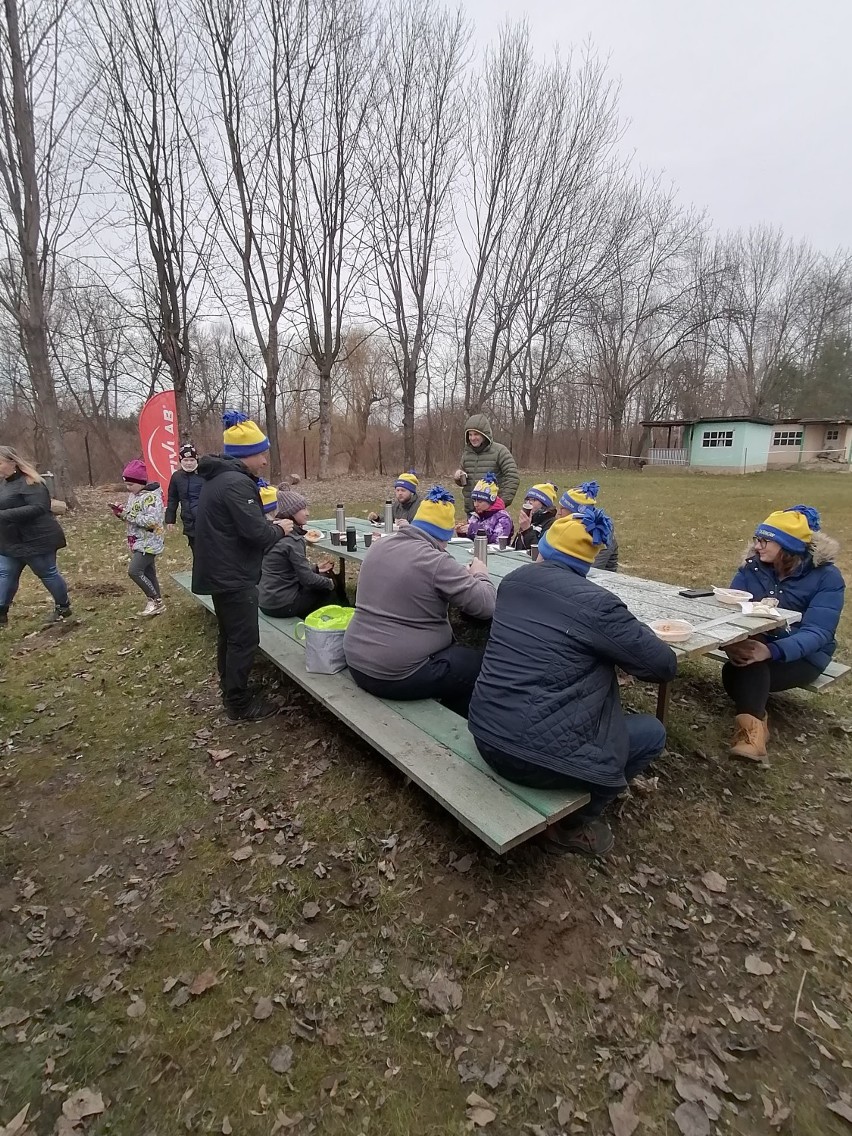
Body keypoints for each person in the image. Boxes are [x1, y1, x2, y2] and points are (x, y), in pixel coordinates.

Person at [468, 508, 677, 857]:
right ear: (587, 564)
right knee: (652, 732)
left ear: (543, 550)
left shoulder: (512, 582)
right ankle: (574, 823)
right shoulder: (599, 606)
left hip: (486, 735)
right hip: (537, 759)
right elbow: (663, 666)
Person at [344, 486, 496, 717]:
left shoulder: (379, 546)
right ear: (445, 537)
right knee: (477, 664)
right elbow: (486, 605)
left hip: (357, 660)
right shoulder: (436, 560)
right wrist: (480, 573)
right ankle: (458, 724)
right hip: (394, 674)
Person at [722, 505, 845, 762]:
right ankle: (757, 725)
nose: (757, 546)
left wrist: (772, 650)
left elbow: (819, 632)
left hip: (806, 656)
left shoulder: (827, 577)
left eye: (765, 541)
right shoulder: (752, 568)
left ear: (788, 546)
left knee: (744, 669)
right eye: (757, 539)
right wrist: (730, 643)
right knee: (739, 664)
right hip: (759, 641)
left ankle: (751, 735)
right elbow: (731, 610)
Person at [192, 411, 293, 722]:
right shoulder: (236, 483)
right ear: (245, 454)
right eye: (260, 453)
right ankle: (238, 704)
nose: (264, 461)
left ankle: (232, 689)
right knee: (245, 638)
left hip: (220, 570)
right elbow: (257, 533)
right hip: (233, 574)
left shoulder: (217, 478)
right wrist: (281, 528)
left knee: (229, 635)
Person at [0, 445, 71, 628]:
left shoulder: (32, 482)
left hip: (37, 539)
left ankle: (63, 607)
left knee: (47, 573)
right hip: (11, 540)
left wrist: (3, 515)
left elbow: (39, 508)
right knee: (5, 575)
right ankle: (1, 613)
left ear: (12, 462)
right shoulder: (4, 484)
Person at [259, 488, 339, 619]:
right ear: (291, 513)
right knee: (327, 590)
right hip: (282, 605)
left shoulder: (273, 531)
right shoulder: (292, 540)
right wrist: (330, 583)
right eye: (303, 509)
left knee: (321, 577)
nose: (308, 513)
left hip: (266, 600)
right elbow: (307, 580)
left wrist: (316, 569)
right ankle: (332, 625)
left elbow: (284, 570)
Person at [109, 459, 166, 617]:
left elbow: (152, 521)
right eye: (126, 485)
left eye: (131, 485)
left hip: (149, 542)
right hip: (137, 540)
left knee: (134, 571)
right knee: (149, 573)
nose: (128, 488)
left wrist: (128, 515)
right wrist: (121, 513)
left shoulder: (152, 498)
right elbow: (132, 514)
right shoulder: (134, 495)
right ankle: (158, 603)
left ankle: (154, 600)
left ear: (141, 482)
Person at [454, 414, 519, 514]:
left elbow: (513, 477)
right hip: (471, 511)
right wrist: (458, 477)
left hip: (492, 512)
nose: (472, 438)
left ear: (485, 434)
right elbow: (464, 481)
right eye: (470, 434)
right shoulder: (467, 454)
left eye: (476, 434)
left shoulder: (500, 451)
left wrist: (501, 502)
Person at [558, 481, 619, 570]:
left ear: (576, 512)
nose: (558, 512)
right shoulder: (570, 527)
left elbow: (592, 568)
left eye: (563, 509)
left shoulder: (599, 533)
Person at [165, 443, 204, 552]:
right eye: (186, 460)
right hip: (188, 521)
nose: (189, 463)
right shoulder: (176, 477)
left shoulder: (204, 474)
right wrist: (170, 519)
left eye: (191, 460)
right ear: (180, 460)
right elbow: (172, 499)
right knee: (196, 551)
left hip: (206, 520)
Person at [455, 473, 514, 545]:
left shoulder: (502, 518)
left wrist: (474, 530)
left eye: (480, 501)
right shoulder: (476, 515)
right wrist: (463, 532)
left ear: (491, 501)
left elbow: (498, 542)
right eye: (474, 501)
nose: (476, 505)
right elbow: (470, 539)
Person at [512, 482, 559, 553]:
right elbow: (515, 547)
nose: (529, 502)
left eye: (533, 499)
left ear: (544, 504)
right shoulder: (531, 518)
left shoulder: (551, 524)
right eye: (527, 499)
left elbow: (539, 552)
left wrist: (527, 530)